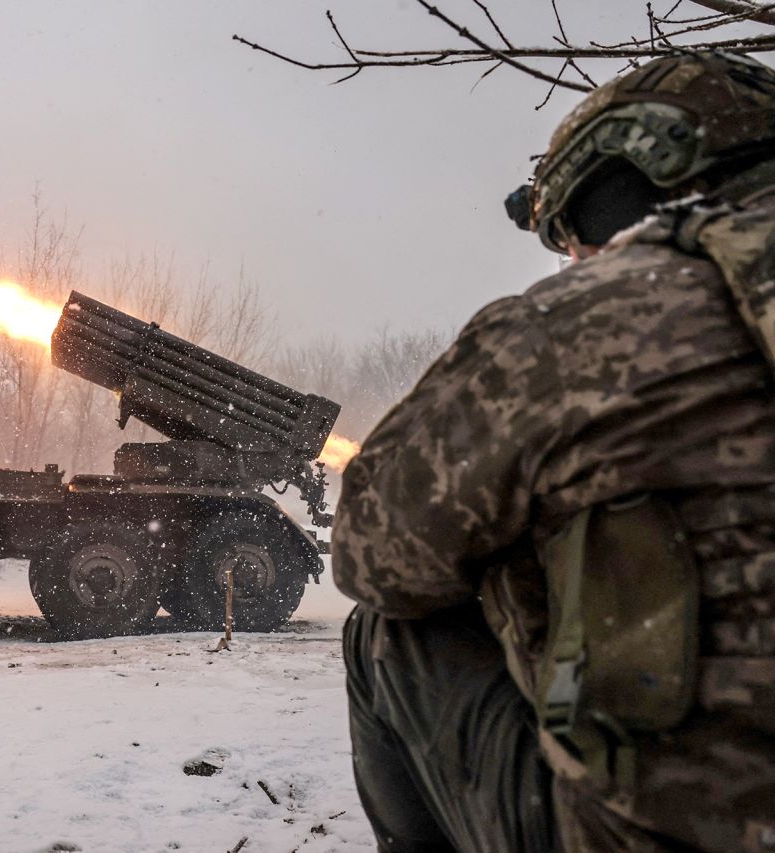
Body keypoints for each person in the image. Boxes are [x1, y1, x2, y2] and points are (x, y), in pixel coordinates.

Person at [332, 51, 775, 852]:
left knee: (386, 632)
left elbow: (373, 551)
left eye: (568, 237)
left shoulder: (579, 327)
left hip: (663, 833)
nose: (570, 262)